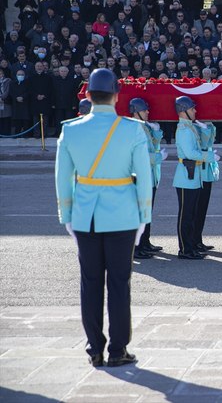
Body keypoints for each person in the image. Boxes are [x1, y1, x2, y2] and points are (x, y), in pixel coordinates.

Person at [55, 68, 152, 367]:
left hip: (86, 216)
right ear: (116, 96)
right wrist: (143, 217)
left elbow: (62, 178)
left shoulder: (71, 129)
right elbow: (144, 180)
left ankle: (94, 347)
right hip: (123, 216)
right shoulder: (132, 129)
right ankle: (118, 349)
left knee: (90, 282)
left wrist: (66, 215)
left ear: (87, 95)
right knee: (120, 284)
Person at [173, 96, 217, 260]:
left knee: (191, 214)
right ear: (183, 111)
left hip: (192, 175)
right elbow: (191, 153)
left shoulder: (189, 127)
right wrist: (209, 156)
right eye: (192, 109)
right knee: (186, 214)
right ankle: (184, 249)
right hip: (186, 176)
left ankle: (191, 246)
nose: (195, 111)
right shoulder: (184, 130)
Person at [130, 98, 168, 259]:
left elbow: (153, 144)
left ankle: (145, 242)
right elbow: (140, 155)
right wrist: (158, 158)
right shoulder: (133, 128)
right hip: (139, 175)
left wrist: (156, 131)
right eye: (144, 110)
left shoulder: (143, 127)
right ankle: (137, 246)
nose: (147, 112)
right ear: (136, 111)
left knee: (147, 211)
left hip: (148, 175)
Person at [192, 118, 218, 252]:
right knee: (196, 209)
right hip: (200, 171)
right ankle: (193, 241)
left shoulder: (206, 124)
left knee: (202, 209)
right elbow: (203, 144)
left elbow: (211, 141)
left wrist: (208, 126)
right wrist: (205, 128)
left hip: (206, 170)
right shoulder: (193, 127)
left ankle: (198, 239)